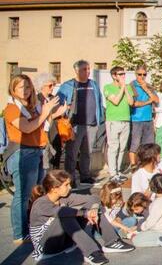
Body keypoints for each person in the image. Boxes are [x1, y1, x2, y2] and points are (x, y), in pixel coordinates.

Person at [29, 170, 134, 264]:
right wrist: (85, 213)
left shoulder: (64, 197)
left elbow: (94, 198)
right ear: (54, 189)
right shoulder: (40, 204)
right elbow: (61, 211)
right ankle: (91, 252)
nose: (70, 187)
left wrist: (93, 210)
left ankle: (112, 242)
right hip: (46, 247)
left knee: (92, 208)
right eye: (66, 185)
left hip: (65, 243)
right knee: (65, 214)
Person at [5, 75, 62, 244]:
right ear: (13, 90)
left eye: (28, 87)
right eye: (22, 87)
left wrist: (50, 113)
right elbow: (27, 128)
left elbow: (43, 125)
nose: (26, 90)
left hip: (37, 151)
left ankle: (33, 226)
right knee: (22, 196)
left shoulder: (32, 107)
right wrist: (44, 113)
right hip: (22, 153)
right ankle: (19, 234)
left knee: (35, 194)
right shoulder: (11, 108)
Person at [57, 60, 105, 186]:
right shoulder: (68, 85)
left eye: (88, 69)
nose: (88, 71)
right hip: (75, 125)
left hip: (91, 124)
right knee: (72, 153)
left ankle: (85, 176)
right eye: (84, 69)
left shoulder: (93, 84)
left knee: (87, 152)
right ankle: (70, 179)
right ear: (77, 71)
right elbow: (59, 101)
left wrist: (99, 118)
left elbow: (99, 101)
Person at [102, 67, 133, 183]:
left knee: (122, 147)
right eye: (120, 74)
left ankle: (119, 170)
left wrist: (125, 88)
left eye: (124, 74)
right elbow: (115, 101)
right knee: (113, 147)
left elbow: (131, 102)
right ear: (114, 76)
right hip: (113, 121)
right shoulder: (108, 88)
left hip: (126, 120)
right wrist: (122, 88)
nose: (123, 76)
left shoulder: (128, 87)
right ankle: (113, 173)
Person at [131, 174, 162, 247]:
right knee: (141, 235)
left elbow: (151, 221)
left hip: (159, 231)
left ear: (152, 187)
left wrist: (142, 227)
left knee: (136, 241)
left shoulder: (157, 203)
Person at [127, 65, 159, 169]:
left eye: (144, 74)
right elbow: (134, 103)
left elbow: (157, 100)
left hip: (148, 119)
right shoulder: (131, 86)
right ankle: (133, 165)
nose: (142, 77)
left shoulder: (149, 86)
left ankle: (146, 164)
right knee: (135, 144)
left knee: (149, 145)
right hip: (136, 119)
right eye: (139, 74)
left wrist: (146, 89)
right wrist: (149, 101)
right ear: (135, 74)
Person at [35, 73, 65, 171]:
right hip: (43, 135)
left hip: (55, 133)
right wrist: (56, 114)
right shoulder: (36, 100)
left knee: (56, 157)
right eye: (50, 85)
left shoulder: (53, 98)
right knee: (45, 162)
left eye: (53, 85)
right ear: (41, 86)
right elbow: (39, 118)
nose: (52, 88)